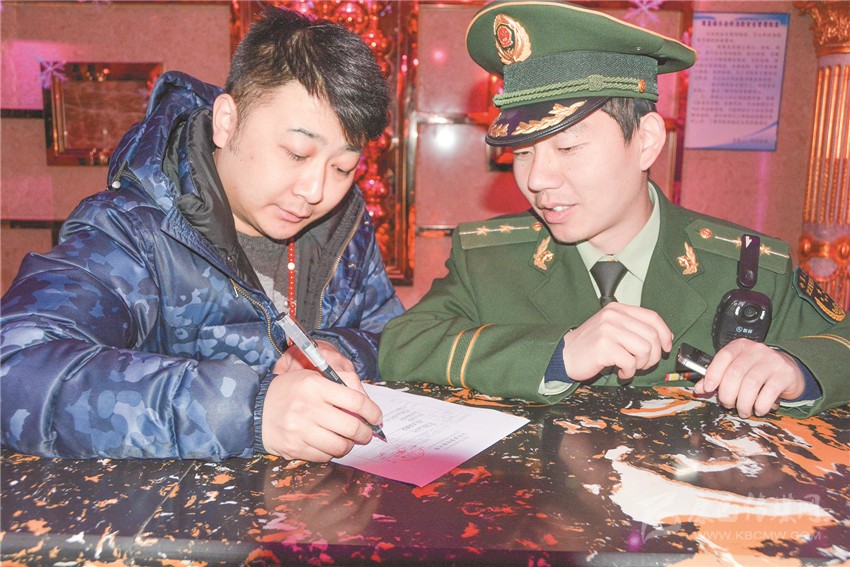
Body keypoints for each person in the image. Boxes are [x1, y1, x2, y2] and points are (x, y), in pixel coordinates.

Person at [378, 0, 850, 419]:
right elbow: (402, 345)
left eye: (567, 148)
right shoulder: (489, 261)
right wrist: (559, 354)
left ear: (646, 141)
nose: (537, 179)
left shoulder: (747, 266)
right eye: (522, 153)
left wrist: (794, 368)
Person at [0, 7, 405, 462]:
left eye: (343, 167)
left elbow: (393, 333)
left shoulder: (344, 224)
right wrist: (250, 410)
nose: (315, 191)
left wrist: (334, 350)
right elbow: (16, 367)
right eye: (296, 153)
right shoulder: (133, 229)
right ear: (227, 121)